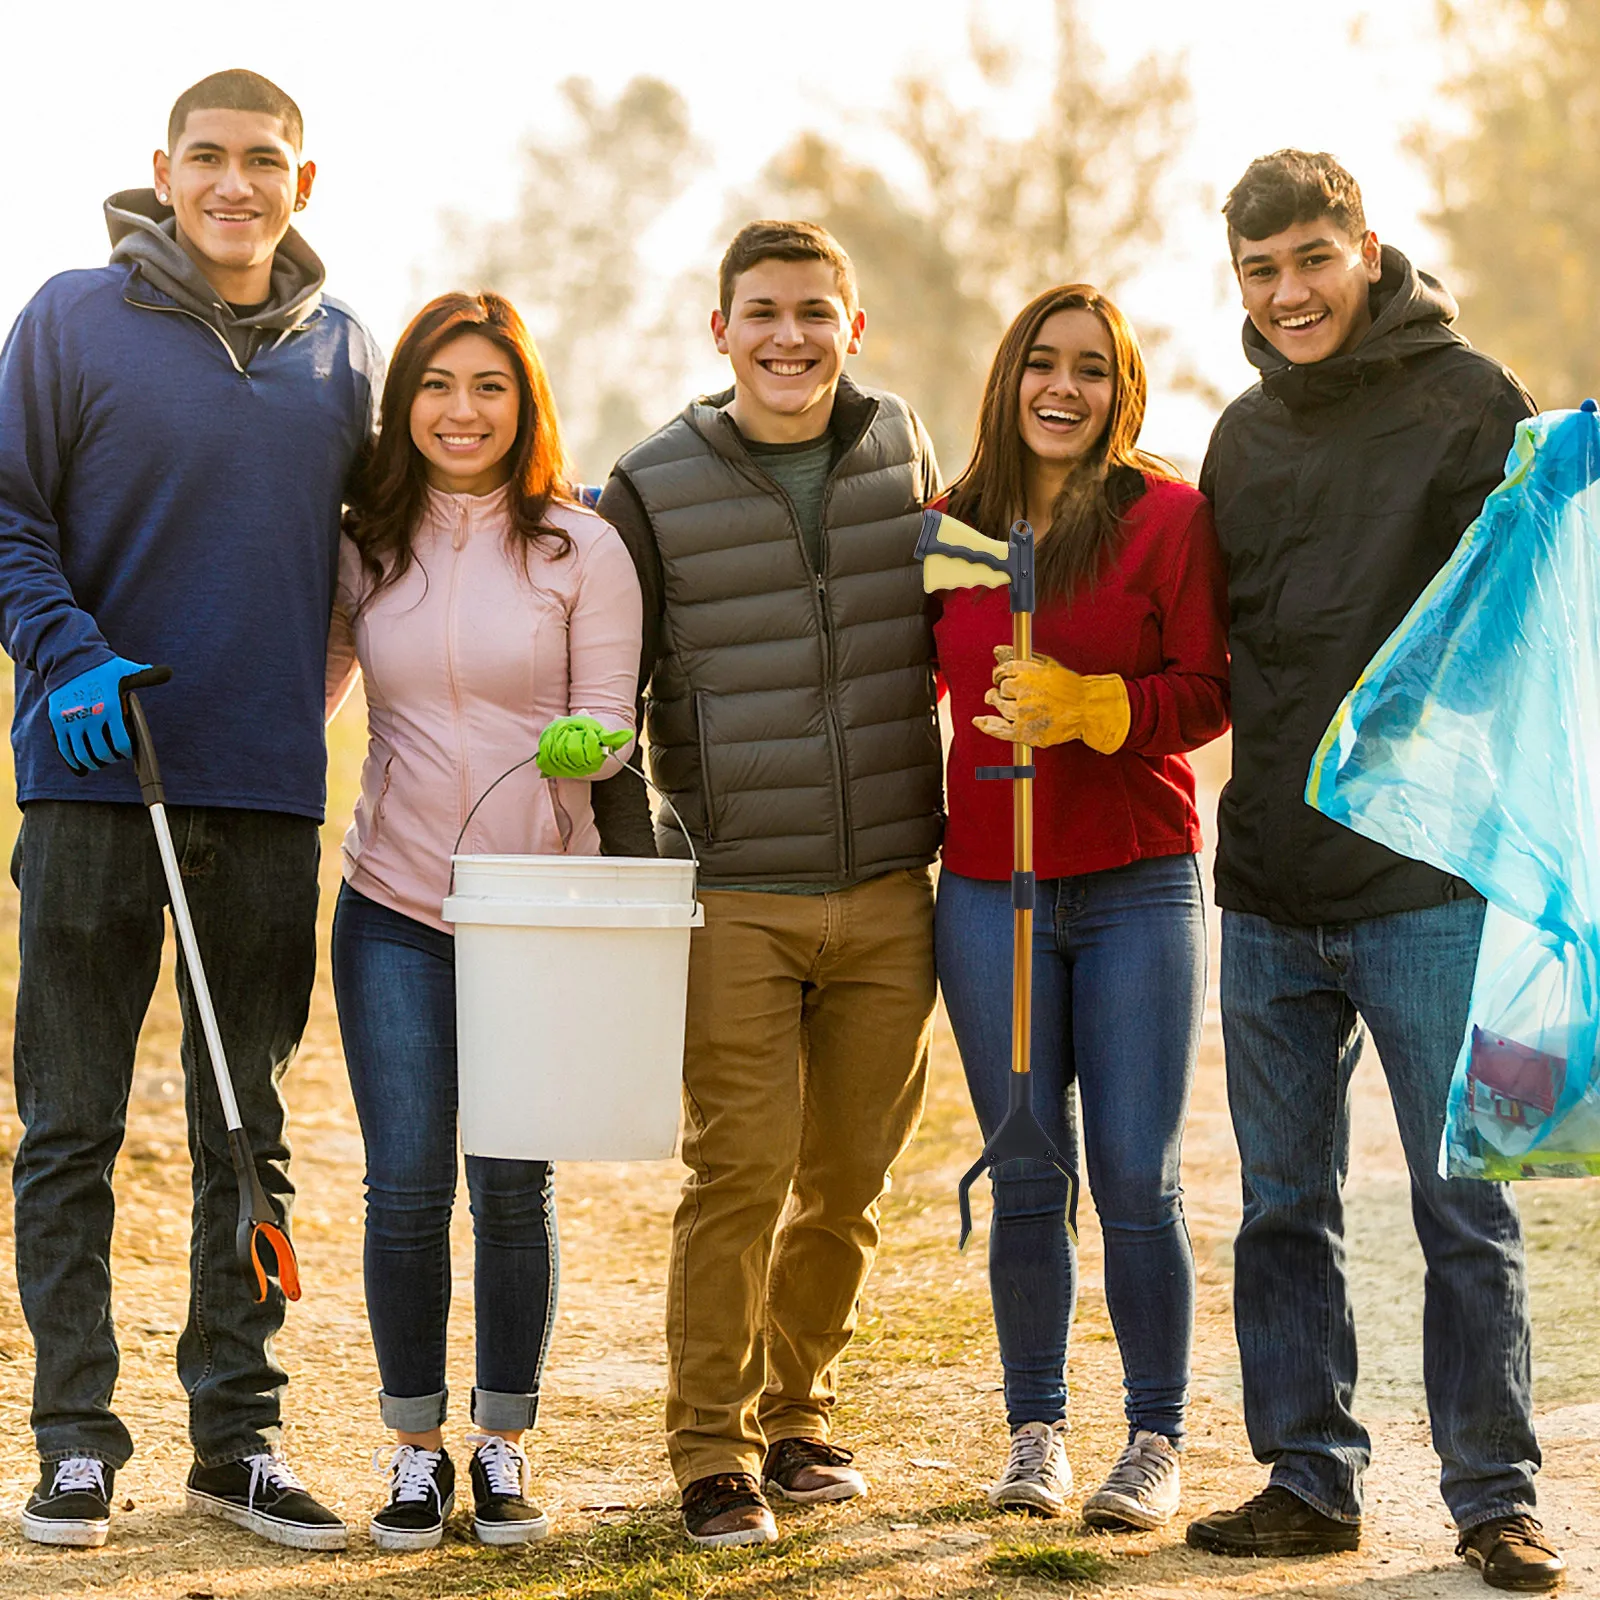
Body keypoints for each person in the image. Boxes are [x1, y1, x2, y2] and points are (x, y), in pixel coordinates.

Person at [0, 70, 380, 1551]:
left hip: (270, 789)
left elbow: (399, 534)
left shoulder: (347, 348)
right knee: (72, 1124)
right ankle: (76, 1442)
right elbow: (7, 513)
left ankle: (241, 1438)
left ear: (305, 179)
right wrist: (67, 649)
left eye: (264, 161)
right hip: (96, 777)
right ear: (164, 169)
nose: (236, 182)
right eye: (209, 158)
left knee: (248, 1125)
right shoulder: (69, 320)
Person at [1184, 150, 1565, 1593]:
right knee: (1284, 1205)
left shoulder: (1472, 401)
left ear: (1366, 249)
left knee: (1463, 1202)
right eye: (1261, 272)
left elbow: (1527, 623)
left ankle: (1495, 1497)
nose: (1290, 293)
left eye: (1311, 261)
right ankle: (1308, 1477)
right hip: (1270, 887)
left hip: (1425, 890)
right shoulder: (1238, 436)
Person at [589, 220, 943, 1549]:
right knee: (740, 1172)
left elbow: (974, 587)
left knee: (847, 1178)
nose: (788, 336)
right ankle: (709, 1447)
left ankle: (800, 1418)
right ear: (719, 329)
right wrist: (644, 860)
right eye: (762, 313)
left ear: (854, 330)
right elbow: (603, 698)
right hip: (733, 893)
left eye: (814, 312)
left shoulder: (900, 447)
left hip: (892, 889)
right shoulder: (653, 483)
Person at [326, 292, 641, 1550]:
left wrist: (583, 741)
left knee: (512, 1188)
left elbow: (613, 717)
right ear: (404, 404)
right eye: (438, 385)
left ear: (525, 404)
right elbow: (306, 693)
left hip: (536, 912)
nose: (463, 411)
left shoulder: (579, 545)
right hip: (392, 903)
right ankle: (413, 1451)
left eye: (489, 387)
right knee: (404, 1188)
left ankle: (503, 1443)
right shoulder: (367, 546)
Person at [931, 285, 1228, 1527]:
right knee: (1021, 1165)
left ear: (1123, 390)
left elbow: (1208, 690)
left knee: (1132, 1175)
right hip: (989, 890)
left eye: (1091, 371)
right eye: (1042, 364)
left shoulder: (1167, 518)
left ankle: (1152, 1437)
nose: (1065, 388)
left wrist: (1098, 703)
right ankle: (1035, 1433)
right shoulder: (947, 527)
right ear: (1008, 378)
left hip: (1134, 888)